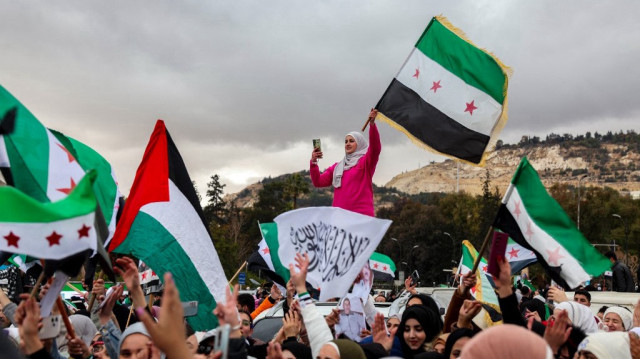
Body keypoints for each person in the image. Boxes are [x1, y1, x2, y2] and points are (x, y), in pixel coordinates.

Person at [310, 109, 381, 217]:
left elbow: (375, 149)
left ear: (360, 144)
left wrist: (372, 124)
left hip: (361, 218)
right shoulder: (337, 168)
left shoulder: (365, 162)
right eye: (346, 141)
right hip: (340, 220)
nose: (348, 144)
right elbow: (318, 182)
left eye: (352, 141)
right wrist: (314, 162)